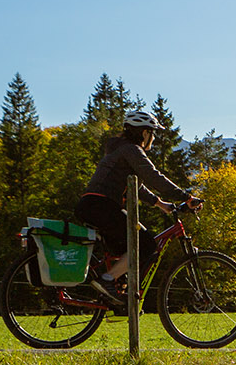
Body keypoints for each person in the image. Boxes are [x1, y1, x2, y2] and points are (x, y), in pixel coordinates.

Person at [76, 110, 202, 302]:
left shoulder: (120, 149)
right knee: (146, 244)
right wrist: (186, 196)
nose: (154, 137)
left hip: (94, 205)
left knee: (132, 244)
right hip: (101, 206)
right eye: (153, 132)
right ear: (144, 133)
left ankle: (114, 291)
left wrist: (161, 204)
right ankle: (108, 280)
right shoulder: (131, 150)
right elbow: (153, 176)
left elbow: (136, 186)